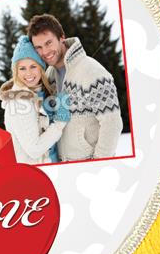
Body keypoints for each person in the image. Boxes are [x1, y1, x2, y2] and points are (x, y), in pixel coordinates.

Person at [28, 13, 122, 161]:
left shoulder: (92, 71)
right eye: (38, 47)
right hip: (63, 164)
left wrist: (99, 163)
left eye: (48, 43)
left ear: (61, 37)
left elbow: (112, 123)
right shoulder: (49, 76)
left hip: (90, 164)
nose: (44, 52)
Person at [0, 37, 69, 165]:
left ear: (41, 68)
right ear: (16, 71)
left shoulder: (40, 93)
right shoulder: (19, 102)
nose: (28, 73)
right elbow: (34, 150)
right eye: (22, 68)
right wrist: (60, 122)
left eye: (33, 66)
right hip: (39, 171)